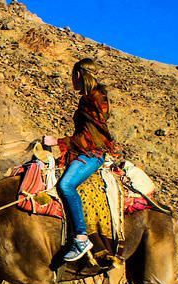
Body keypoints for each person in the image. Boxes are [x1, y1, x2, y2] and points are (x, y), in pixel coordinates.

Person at [44, 58, 118, 262]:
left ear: (78, 75)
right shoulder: (96, 97)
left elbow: (90, 137)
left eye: (72, 76)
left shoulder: (90, 100)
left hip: (92, 154)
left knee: (66, 185)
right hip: (89, 151)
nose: (72, 81)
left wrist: (57, 141)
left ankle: (81, 238)